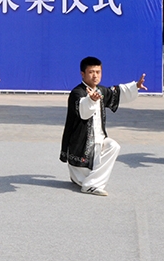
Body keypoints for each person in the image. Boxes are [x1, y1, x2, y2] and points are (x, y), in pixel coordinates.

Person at [59, 56, 147, 196]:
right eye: (91, 72)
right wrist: (90, 100)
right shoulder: (77, 93)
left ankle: (87, 181)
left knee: (114, 146)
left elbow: (116, 92)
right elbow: (83, 112)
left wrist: (135, 86)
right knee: (84, 173)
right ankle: (89, 184)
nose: (95, 75)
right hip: (80, 148)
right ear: (83, 74)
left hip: (98, 140)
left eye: (98, 72)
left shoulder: (100, 90)